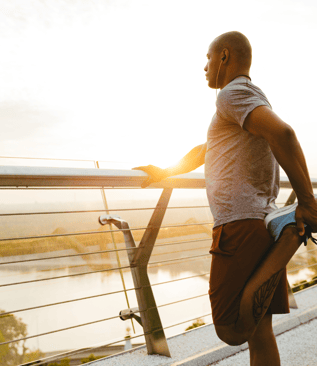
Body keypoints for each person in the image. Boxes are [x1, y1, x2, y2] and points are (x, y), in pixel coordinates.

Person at [134, 31, 317, 366]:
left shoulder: (232, 94)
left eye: (208, 57)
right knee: (260, 330)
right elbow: (207, 149)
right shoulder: (246, 99)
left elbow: (285, 133)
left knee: (230, 329)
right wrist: (165, 170)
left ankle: (291, 230)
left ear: (224, 56)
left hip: (239, 224)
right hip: (258, 221)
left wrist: (308, 201)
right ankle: (286, 231)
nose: (204, 67)